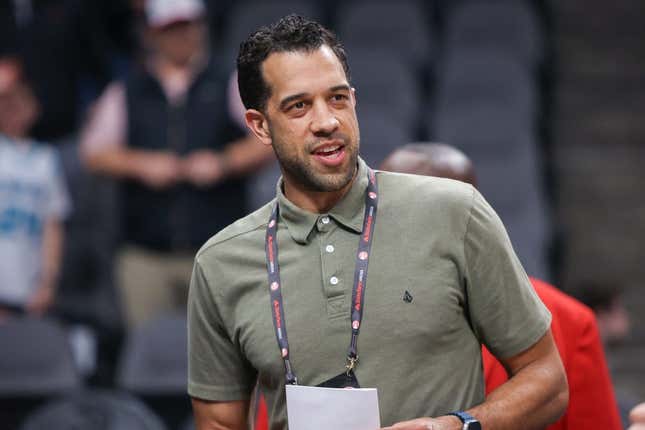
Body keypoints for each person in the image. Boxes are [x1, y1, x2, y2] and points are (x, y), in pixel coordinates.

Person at [188, 15, 567, 430]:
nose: (327, 121)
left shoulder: (455, 212)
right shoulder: (221, 262)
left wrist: (456, 427)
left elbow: (547, 380)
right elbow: (218, 423)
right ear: (260, 126)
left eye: (337, 99)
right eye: (299, 106)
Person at [80, 0, 272, 328]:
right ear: (153, 34)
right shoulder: (129, 88)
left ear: (200, 26)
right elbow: (93, 152)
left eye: (187, 26)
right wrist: (141, 164)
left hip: (219, 251)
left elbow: (268, 138)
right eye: (171, 29)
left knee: (227, 354)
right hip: (145, 254)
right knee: (150, 351)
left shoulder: (229, 80)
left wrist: (223, 163)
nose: (181, 36)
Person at [0, 57, 70, 319]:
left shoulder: (46, 159)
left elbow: (53, 223)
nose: (14, 111)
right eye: (6, 104)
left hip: (29, 289)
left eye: (20, 102)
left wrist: (48, 282)